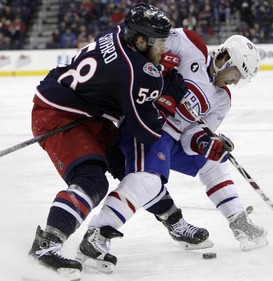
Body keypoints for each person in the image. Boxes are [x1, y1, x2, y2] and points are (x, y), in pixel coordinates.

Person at [76, 28, 268, 273]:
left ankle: (238, 221)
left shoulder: (223, 99)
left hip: (172, 138)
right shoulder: (192, 46)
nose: (236, 81)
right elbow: (147, 43)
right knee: (147, 181)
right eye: (237, 73)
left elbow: (192, 135)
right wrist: (158, 63)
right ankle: (98, 232)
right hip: (146, 124)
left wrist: (206, 143)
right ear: (224, 59)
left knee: (215, 160)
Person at [28, 4, 187, 280]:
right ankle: (46, 244)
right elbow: (145, 130)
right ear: (140, 40)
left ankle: (174, 220)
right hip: (60, 115)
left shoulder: (114, 32)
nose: (165, 49)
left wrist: (156, 77)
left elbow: (119, 78)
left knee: (133, 170)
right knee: (92, 180)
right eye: (160, 42)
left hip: (78, 107)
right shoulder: (137, 72)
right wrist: (165, 98)